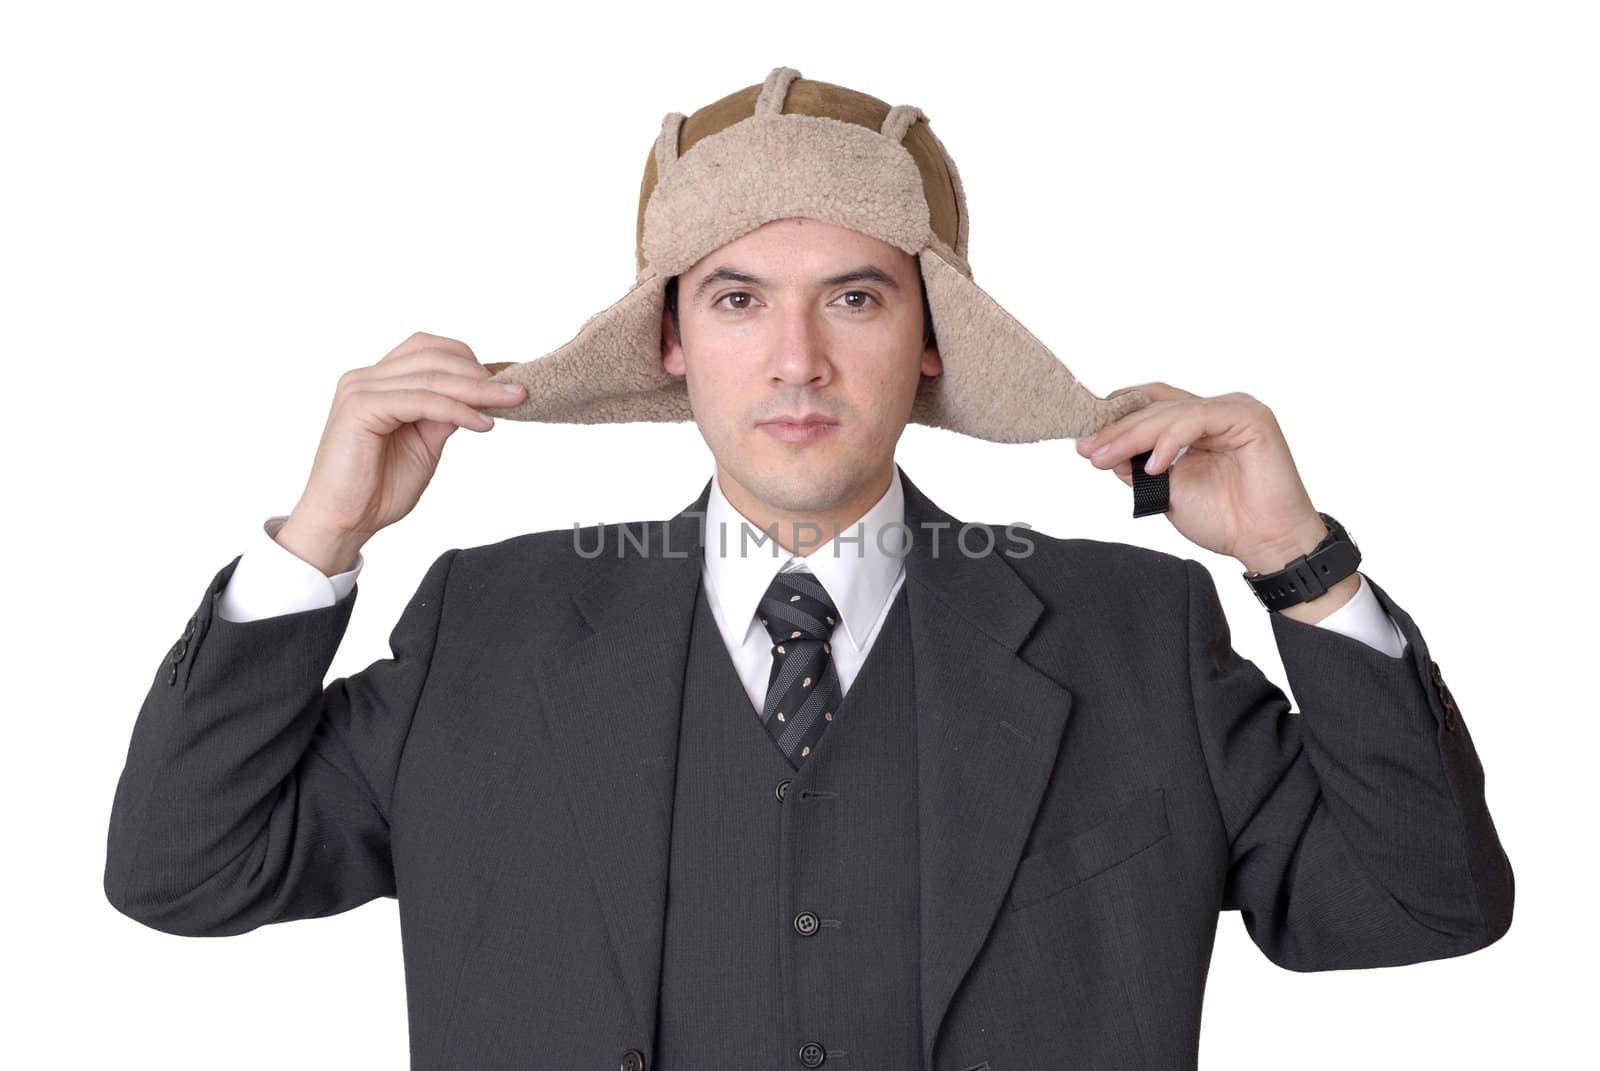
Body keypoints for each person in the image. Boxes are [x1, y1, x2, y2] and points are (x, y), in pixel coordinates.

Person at [104, 68, 1513, 1071]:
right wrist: (317, 544)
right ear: (671, 346)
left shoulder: (1133, 629)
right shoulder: (496, 626)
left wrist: (1300, 567)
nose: (797, 360)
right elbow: (189, 871)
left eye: (854, 296)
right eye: (737, 300)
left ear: (931, 342)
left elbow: (1422, 903)